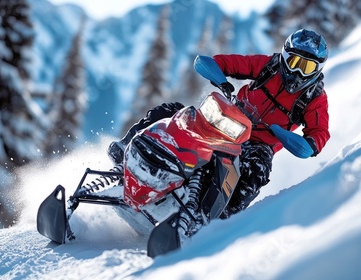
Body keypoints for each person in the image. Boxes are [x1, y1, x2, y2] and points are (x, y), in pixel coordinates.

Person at [108, 29, 330, 219]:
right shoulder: (267, 66)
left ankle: (221, 221)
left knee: (257, 168)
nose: (297, 72)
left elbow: (317, 138)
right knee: (172, 111)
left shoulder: (314, 99)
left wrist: (284, 135)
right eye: (294, 62)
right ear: (283, 57)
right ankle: (126, 150)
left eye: (307, 67)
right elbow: (213, 62)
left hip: (258, 144)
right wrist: (223, 82)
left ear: (317, 70)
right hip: (228, 120)